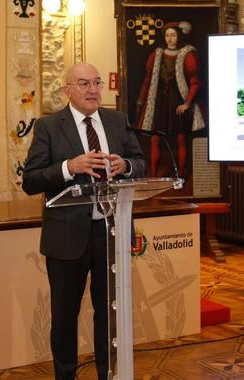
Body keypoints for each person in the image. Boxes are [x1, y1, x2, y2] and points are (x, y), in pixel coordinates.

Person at [22, 63, 146, 380]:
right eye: (83, 83)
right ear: (67, 89)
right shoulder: (49, 126)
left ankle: (110, 373)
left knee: (109, 314)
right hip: (67, 237)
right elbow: (31, 180)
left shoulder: (117, 121)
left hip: (111, 233)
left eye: (96, 82)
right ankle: (66, 376)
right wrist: (68, 166)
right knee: (65, 317)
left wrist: (126, 166)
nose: (92, 90)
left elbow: (141, 162)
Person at [136, 21, 205, 178]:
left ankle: (181, 175)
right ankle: (152, 176)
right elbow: (147, 80)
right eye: (167, 35)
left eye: (173, 35)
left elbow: (195, 82)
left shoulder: (187, 55)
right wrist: (141, 100)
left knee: (181, 139)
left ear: (179, 36)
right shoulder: (157, 55)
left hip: (177, 102)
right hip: (160, 102)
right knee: (155, 139)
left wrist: (187, 103)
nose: (170, 38)